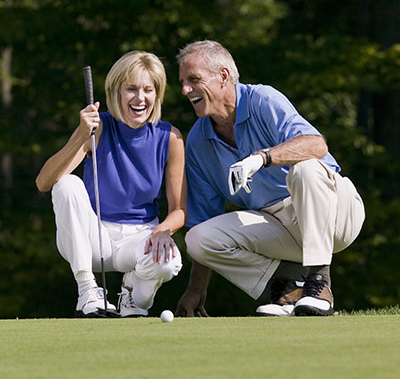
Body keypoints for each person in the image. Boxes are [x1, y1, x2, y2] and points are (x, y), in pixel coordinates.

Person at [174, 40, 365, 317]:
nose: (185, 90)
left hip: (335, 213)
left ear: (224, 76)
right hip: (278, 225)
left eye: (194, 80)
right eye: (182, 82)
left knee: (306, 168)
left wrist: (261, 158)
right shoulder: (198, 141)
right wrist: (196, 289)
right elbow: (204, 218)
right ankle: (289, 286)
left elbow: (317, 145)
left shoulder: (262, 99)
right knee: (198, 238)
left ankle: (320, 282)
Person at [36, 51, 187, 318]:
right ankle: (87, 290)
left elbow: (179, 210)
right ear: (116, 92)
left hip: (141, 237)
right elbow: (45, 182)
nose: (140, 98)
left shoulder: (171, 137)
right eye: (131, 89)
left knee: (169, 262)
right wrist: (81, 136)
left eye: (148, 90)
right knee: (67, 184)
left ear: (157, 94)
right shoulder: (98, 127)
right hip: (93, 239)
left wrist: (163, 229)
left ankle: (132, 294)